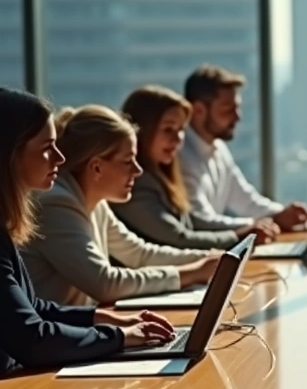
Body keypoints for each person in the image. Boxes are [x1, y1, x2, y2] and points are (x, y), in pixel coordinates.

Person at [0, 89, 175, 389]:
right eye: (46, 149)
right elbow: (31, 339)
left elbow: (32, 307)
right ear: (8, 156)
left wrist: (101, 319)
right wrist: (119, 338)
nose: (60, 158)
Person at [22, 105, 221, 306]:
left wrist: (210, 259)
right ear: (97, 167)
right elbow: (105, 283)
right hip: (53, 334)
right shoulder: (55, 205)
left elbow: (139, 254)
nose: (137, 170)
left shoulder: (92, 200)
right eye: (128, 161)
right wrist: (191, 273)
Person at [112, 85, 279, 249]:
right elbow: (178, 238)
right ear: (142, 131)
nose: (178, 139)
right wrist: (240, 237)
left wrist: (252, 226)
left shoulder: (161, 176)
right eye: (168, 129)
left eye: (181, 129)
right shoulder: (135, 184)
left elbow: (194, 221)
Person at [179, 64, 307, 232]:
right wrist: (251, 226)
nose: (237, 117)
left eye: (237, 107)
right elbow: (201, 221)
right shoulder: (181, 155)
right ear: (198, 110)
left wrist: (283, 214)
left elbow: (246, 201)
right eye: (228, 109)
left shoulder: (218, 149)